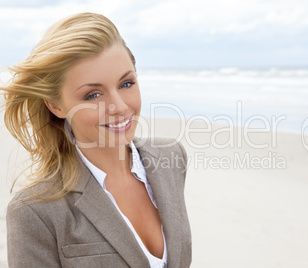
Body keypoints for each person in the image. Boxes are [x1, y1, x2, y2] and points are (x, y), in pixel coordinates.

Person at [1, 12, 191, 268]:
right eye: (93, 95)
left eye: (126, 84)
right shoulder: (34, 212)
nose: (119, 106)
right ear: (56, 105)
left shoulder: (171, 157)